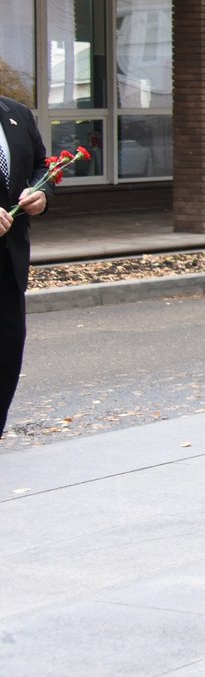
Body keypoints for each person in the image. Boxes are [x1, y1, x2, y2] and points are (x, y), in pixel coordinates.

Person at [0, 94, 50, 436]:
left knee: (7, 353)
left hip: (10, 262)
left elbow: (41, 167)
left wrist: (40, 194)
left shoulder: (17, 114)